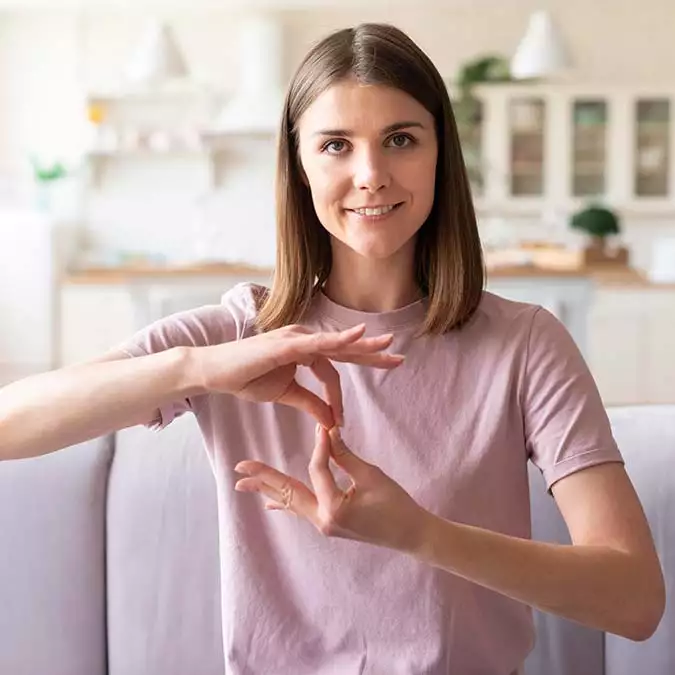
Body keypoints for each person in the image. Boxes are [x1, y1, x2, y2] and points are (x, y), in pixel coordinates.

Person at [0, 22, 665, 675]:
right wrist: (199, 367)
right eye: (336, 145)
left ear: (440, 153)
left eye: (400, 139)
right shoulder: (234, 335)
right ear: (299, 166)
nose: (370, 174)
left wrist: (419, 534)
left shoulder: (524, 344)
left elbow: (634, 598)